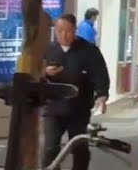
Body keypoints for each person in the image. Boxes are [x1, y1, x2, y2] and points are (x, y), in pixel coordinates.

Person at [42, 13, 110, 170]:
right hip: (53, 108)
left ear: (75, 30)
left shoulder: (89, 51)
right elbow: (35, 74)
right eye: (59, 31)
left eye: (68, 31)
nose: (63, 35)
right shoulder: (48, 50)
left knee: (79, 148)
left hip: (79, 108)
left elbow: (100, 75)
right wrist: (45, 72)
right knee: (50, 148)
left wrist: (101, 96)